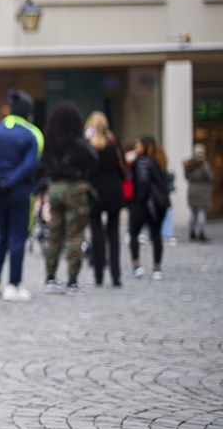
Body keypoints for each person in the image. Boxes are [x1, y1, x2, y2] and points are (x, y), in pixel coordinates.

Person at [0, 89, 43, 302]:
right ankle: (13, 285)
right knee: (18, 237)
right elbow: (31, 163)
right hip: (20, 191)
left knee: (1, 236)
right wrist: (11, 180)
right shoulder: (32, 133)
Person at [38, 102, 97, 293]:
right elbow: (93, 161)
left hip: (54, 189)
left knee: (54, 235)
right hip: (75, 189)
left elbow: (42, 166)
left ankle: (50, 277)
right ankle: (72, 279)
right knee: (75, 235)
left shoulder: (49, 143)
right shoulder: (78, 144)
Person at [85, 111, 127, 287]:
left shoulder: (88, 146)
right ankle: (116, 275)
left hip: (94, 193)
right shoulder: (113, 143)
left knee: (96, 234)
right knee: (113, 233)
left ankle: (98, 274)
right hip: (113, 191)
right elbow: (122, 166)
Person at [129, 135, 171, 279]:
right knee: (156, 235)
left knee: (133, 233)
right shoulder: (160, 161)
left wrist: (136, 199)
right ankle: (157, 268)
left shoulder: (141, 162)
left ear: (145, 147)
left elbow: (143, 181)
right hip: (160, 204)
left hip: (143, 203)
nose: (136, 148)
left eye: (138, 145)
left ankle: (137, 265)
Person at [185, 143, 213, 242]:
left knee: (193, 212)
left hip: (192, 189)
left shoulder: (188, 164)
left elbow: (187, 177)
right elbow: (209, 177)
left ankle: (192, 232)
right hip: (202, 190)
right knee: (201, 212)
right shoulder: (204, 164)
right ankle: (201, 233)